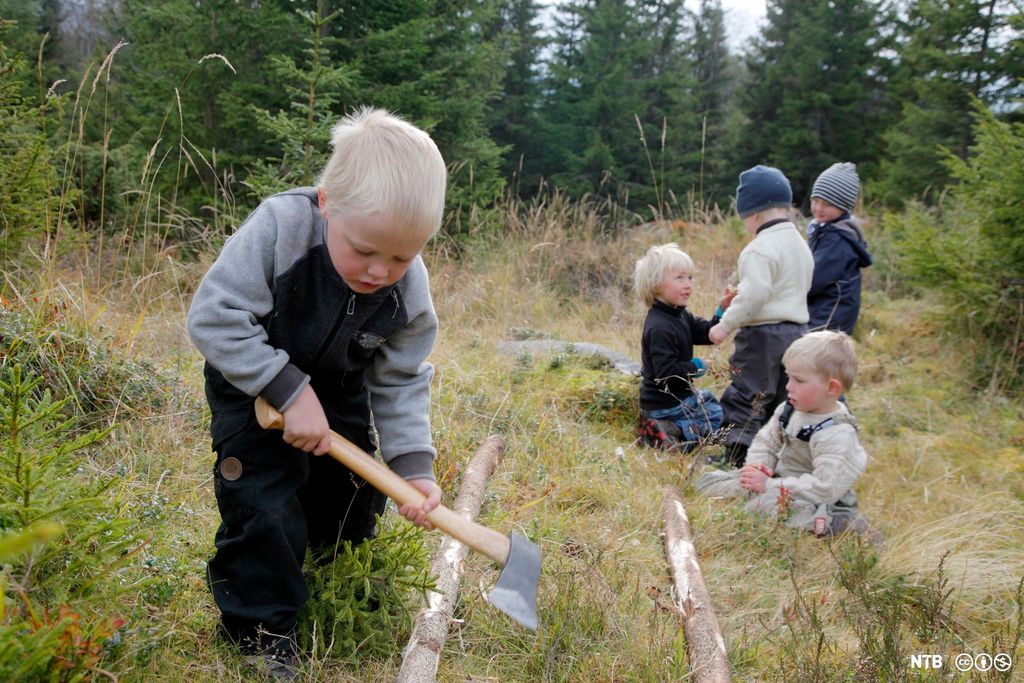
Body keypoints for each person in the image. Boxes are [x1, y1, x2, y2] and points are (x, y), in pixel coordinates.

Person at [187, 107, 446, 678]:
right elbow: (214, 317)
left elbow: (400, 376)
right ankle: (261, 630)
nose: (380, 272)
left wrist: (411, 466)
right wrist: (286, 388)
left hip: (340, 385)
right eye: (364, 250)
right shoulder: (281, 229)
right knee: (265, 499)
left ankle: (334, 578)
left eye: (402, 257)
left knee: (352, 495)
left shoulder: (409, 286)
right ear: (328, 203)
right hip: (251, 377)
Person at [694, 331, 873, 537]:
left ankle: (840, 524)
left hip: (819, 499)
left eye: (798, 380)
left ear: (831, 387)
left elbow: (825, 489)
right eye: (788, 377)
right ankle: (763, 504)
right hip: (779, 482)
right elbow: (765, 443)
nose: (788, 387)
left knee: (764, 507)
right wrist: (759, 467)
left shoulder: (837, 433)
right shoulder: (788, 410)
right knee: (709, 482)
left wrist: (769, 485)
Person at [709, 165, 814, 466]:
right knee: (784, 397)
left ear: (753, 214)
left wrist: (724, 325)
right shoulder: (800, 245)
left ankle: (736, 456)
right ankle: (776, 456)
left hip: (761, 336)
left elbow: (755, 295)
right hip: (797, 333)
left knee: (748, 393)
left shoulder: (758, 249)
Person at [634, 243, 734, 451]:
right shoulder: (659, 326)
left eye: (690, 277)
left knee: (712, 404)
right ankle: (674, 435)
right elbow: (665, 374)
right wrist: (696, 366)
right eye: (679, 278)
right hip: (664, 405)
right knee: (716, 415)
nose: (688, 284)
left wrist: (723, 310)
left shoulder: (680, 314)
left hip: (676, 400)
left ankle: (670, 430)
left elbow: (709, 333)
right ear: (655, 283)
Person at [806, 162, 873, 335]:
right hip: (820, 311)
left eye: (827, 204)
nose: (818, 208)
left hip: (830, 317)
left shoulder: (838, 240)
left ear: (842, 206)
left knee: (809, 359)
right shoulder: (824, 229)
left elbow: (813, 280)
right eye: (815, 201)